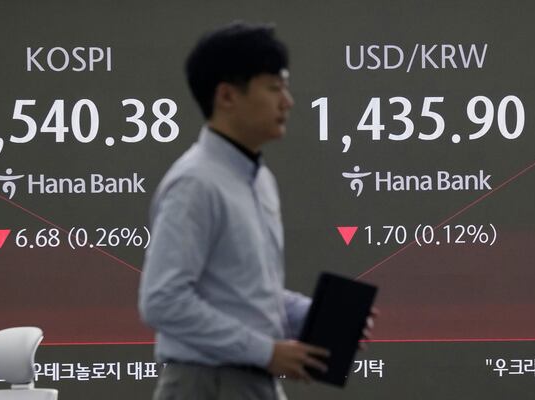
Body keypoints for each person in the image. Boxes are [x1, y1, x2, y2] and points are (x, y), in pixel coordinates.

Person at [139, 22, 373, 400]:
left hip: (250, 381)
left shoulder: (259, 179)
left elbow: (239, 292)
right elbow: (162, 301)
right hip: (207, 385)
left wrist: (311, 317)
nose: (288, 101)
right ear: (227, 96)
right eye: (274, 87)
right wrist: (266, 351)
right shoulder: (195, 183)